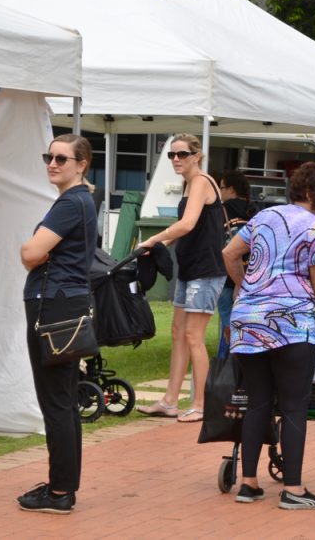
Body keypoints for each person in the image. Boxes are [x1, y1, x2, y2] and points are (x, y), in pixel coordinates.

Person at [222, 162, 315, 510]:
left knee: (258, 402)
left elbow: (230, 254)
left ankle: (248, 483)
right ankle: (293, 488)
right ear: (312, 193)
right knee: (294, 405)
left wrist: (245, 288)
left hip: (248, 322)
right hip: (291, 325)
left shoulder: (264, 217)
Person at [17, 134, 98, 514]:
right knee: (62, 399)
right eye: (48, 156)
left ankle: (61, 491)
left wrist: (34, 252)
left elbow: (30, 251)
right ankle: (62, 486)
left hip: (53, 306)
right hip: (63, 305)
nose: (52, 164)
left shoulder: (70, 203)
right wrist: (38, 255)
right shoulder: (80, 200)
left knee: (56, 401)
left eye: (62, 159)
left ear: (81, 165)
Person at [137, 133, 226, 422]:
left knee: (193, 336)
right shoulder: (188, 184)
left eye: (182, 154)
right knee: (178, 332)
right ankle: (169, 401)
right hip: (189, 268)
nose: (176, 159)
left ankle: (201, 404)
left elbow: (187, 224)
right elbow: (186, 227)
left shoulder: (200, 182)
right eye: (171, 155)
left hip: (206, 271)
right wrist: (160, 245)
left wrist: (154, 239)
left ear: (197, 156)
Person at [216, 169, 254, 359]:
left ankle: (225, 365)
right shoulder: (256, 210)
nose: (220, 192)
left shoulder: (219, 211)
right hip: (252, 277)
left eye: (221, 188)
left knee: (227, 322)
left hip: (225, 276)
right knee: (248, 324)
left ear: (231, 189)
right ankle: (244, 363)